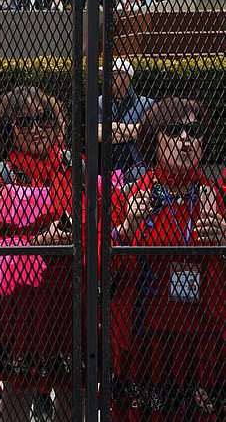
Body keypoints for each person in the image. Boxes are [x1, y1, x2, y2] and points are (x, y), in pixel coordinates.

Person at [110, 97, 225, 421]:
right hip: (149, 340)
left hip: (203, 342)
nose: (186, 138)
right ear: (153, 140)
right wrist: (128, 227)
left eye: (194, 131)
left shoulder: (217, 194)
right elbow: (104, 268)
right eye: (174, 130)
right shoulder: (133, 194)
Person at [0, 86, 85, 422]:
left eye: (43, 119)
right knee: (19, 389)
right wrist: (41, 238)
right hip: (23, 301)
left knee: (75, 389)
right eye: (24, 122)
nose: (37, 129)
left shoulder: (74, 167)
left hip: (69, 294)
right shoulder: (2, 176)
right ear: (8, 131)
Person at [98, 58, 155, 182]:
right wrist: (132, 132)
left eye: (112, 75)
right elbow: (98, 134)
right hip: (106, 170)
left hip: (137, 169)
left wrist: (111, 126)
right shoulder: (101, 102)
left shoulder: (147, 104)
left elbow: (145, 133)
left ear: (125, 77)